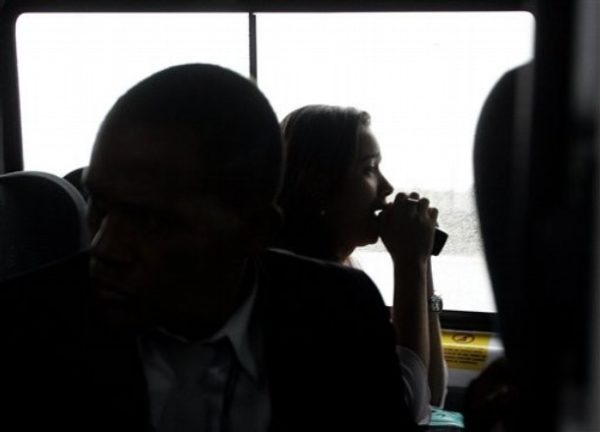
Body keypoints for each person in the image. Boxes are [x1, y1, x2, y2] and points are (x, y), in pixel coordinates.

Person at [2, 65, 417, 432]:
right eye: (99, 205)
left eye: (152, 221)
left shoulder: (341, 316)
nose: (104, 247)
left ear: (255, 231)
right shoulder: (25, 330)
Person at [276, 105, 447, 424]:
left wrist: (422, 265)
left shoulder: (345, 276)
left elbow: (432, 395)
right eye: (370, 169)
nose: (387, 187)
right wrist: (410, 265)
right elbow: (407, 414)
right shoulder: (310, 293)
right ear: (319, 184)